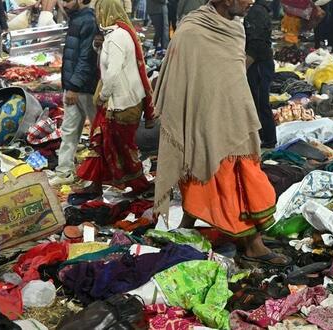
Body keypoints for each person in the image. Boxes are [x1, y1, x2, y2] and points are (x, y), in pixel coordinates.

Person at [153, 0, 291, 266]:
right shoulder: (192, 30)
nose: (250, 0)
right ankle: (252, 245)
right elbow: (178, 74)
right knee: (211, 170)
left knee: (241, 173)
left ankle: (190, 227)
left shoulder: (235, 29)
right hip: (204, 117)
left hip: (235, 116)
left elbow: (231, 77)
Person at [77, 0, 156, 195]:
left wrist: (103, 97)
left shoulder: (117, 37)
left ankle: (140, 186)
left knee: (122, 148)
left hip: (121, 103)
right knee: (103, 144)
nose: (96, 15)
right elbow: (109, 62)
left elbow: (112, 73)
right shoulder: (116, 34)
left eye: (98, 11)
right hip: (120, 101)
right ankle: (95, 184)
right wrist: (98, 49)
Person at [49, 0, 99, 186]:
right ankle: (64, 171)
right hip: (74, 85)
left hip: (84, 88)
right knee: (69, 131)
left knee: (99, 132)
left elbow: (87, 57)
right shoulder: (77, 18)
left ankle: (106, 172)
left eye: (68, 0)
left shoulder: (88, 21)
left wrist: (73, 86)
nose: (63, 4)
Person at [245, 0, 276, 148]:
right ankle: (264, 137)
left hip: (259, 65)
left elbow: (256, 45)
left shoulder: (256, 12)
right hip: (261, 64)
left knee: (260, 102)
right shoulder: (259, 11)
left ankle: (268, 139)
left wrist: (243, 66)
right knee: (258, 101)